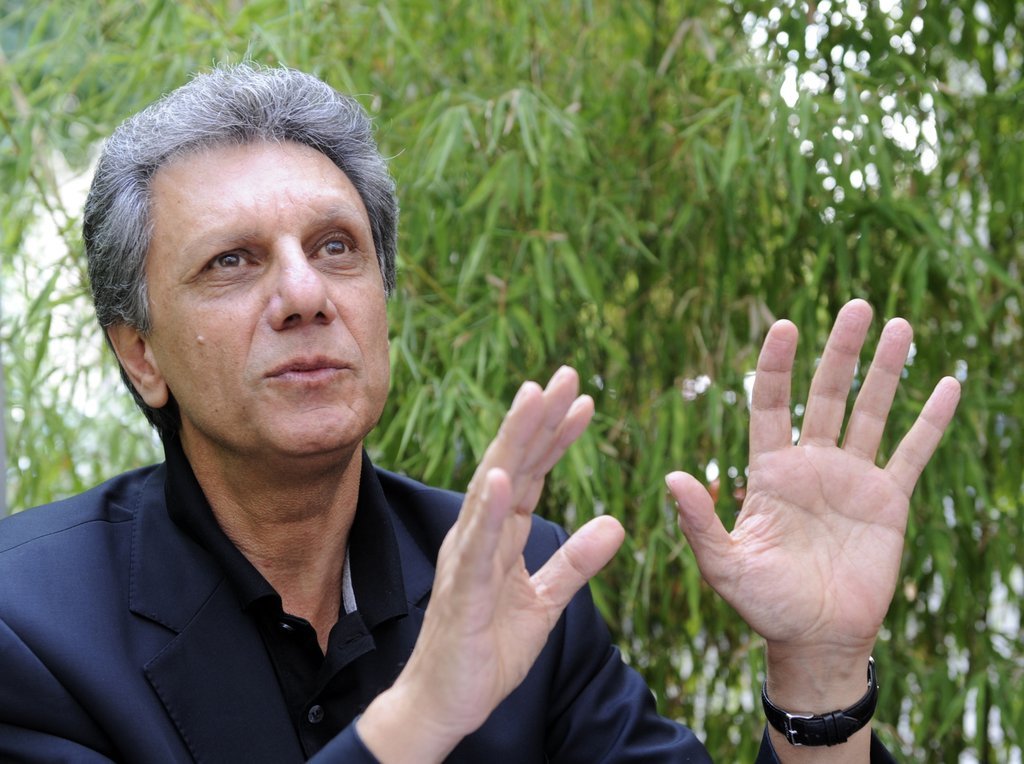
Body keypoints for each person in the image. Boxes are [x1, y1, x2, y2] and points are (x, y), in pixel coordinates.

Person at [0, 64, 960, 763]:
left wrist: (818, 670)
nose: (304, 295)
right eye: (233, 261)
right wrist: (417, 718)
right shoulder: (30, 628)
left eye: (336, 248)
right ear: (142, 353)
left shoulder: (522, 573)